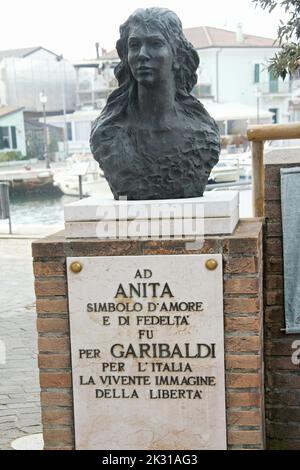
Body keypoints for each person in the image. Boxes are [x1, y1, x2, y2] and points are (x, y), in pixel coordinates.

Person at [90, 8, 220, 200]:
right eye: (134, 45)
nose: (142, 54)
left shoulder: (204, 135)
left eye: (155, 43)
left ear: (177, 56)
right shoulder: (107, 135)